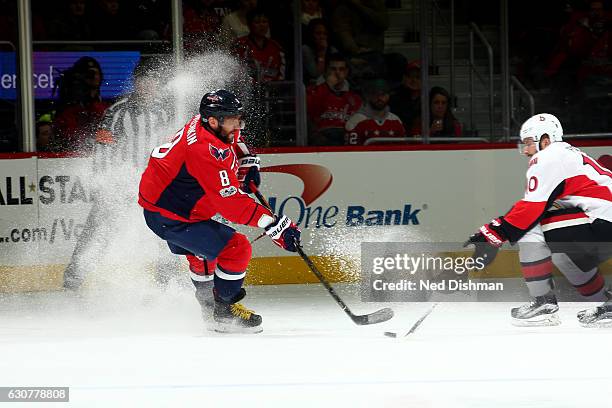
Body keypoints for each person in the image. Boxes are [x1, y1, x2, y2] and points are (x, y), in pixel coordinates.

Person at [138, 89, 301, 333]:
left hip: (178, 205)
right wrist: (273, 224)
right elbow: (232, 205)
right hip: (170, 215)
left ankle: (209, 306)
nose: (238, 123)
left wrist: (246, 159)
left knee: (205, 254)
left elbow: (233, 140)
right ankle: (223, 313)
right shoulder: (204, 150)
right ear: (214, 121)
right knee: (236, 249)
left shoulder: (206, 122)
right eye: (232, 117)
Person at [464, 113, 612, 327]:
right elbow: (535, 208)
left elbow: (530, 211)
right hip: (603, 218)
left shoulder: (548, 156)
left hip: (604, 219)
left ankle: (543, 304)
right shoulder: (566, 154)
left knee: (530, 229)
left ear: (545, 140)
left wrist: (493, 234)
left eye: (528, 143)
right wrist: (494, 231)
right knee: (565, 256)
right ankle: (601, 303)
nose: (525, 150)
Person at [62, 57, 173, 290]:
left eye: (153, 80)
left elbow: (171, 150)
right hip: (121, 182)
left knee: (166, 230)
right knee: (97, 229)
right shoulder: (117, 112)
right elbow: (103, 148)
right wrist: (104, 183)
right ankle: (73, 278)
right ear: (136, 82)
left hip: (153, 185)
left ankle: (166, 278)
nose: (148, 85)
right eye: (143, 80)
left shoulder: (164, 113)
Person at [53, 56, 108, 153]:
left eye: (97, 73)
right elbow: (67, 138)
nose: (94, 77)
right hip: (74, 157)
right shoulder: (68, 109)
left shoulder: (103, 106)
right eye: (90, 73)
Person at [306, 53, 362, 145]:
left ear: (346, 72)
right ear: (326, 71)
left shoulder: (355, 97)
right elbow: (309, 113)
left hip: (347, 142)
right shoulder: (313, 91)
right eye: (333, 69)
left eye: (341, 69)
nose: (337, 73)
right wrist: (327, 86)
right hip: (321, 142)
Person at [344, 78, 405, 145]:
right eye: (375, 94)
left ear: (388, 96)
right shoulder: (356, 121)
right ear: (369, 96)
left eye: (383, 94)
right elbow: (352, 152)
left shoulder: (396, 120)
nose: (379, 98)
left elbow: (403, 149)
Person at [233, 8, 285, 83]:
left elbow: (281, 77)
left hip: (272, 91)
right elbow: (235, 73)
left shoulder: (276, 48)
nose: (262, 25)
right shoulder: (240, 44)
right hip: (246, 90)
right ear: (249, 24)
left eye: (264, 22)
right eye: (257, 22)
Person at [389, 60, 421, 136]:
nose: (414, 80)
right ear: (404, 78)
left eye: (418, 77)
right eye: (410, 76)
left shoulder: (430, 98)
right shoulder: (394, 99)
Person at [302, 18, 338, 85]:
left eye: (325, 34)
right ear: (311, 34)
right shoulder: (305, 49)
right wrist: (322, 54)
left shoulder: (332, 49)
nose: (322, 37)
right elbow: (316, 74)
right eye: (318, 33)